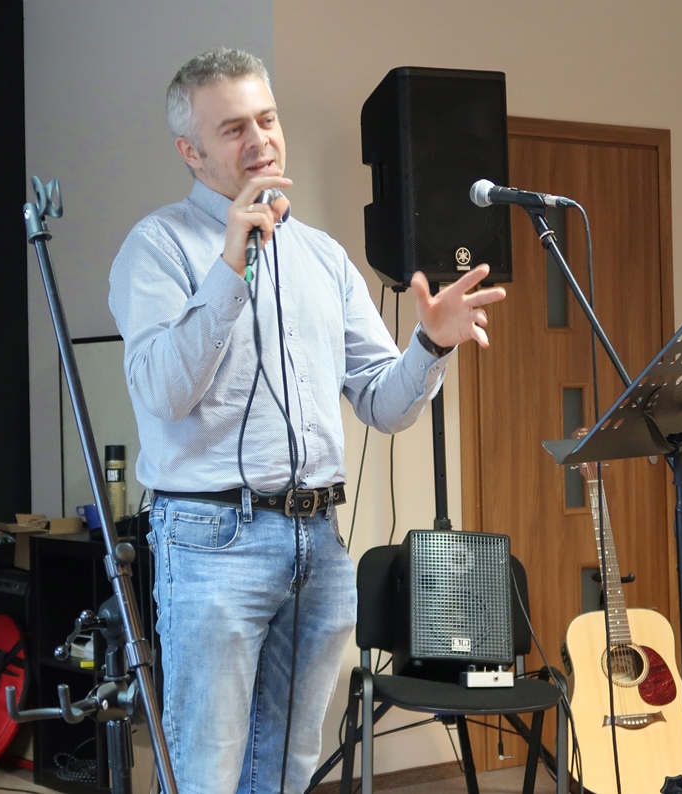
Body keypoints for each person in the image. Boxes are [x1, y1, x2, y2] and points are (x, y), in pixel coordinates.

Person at [108, 47, 507, 794]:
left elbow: (384, 403)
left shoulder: (323, 257)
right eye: (233, 129)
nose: (259, 139)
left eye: (267, 119)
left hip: (318, 541)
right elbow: (163, 392)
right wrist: (230, 267)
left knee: (288, 769)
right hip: (212, 540)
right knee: (207, 771)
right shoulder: (157, 247)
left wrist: (430, 343)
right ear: (191, 152)